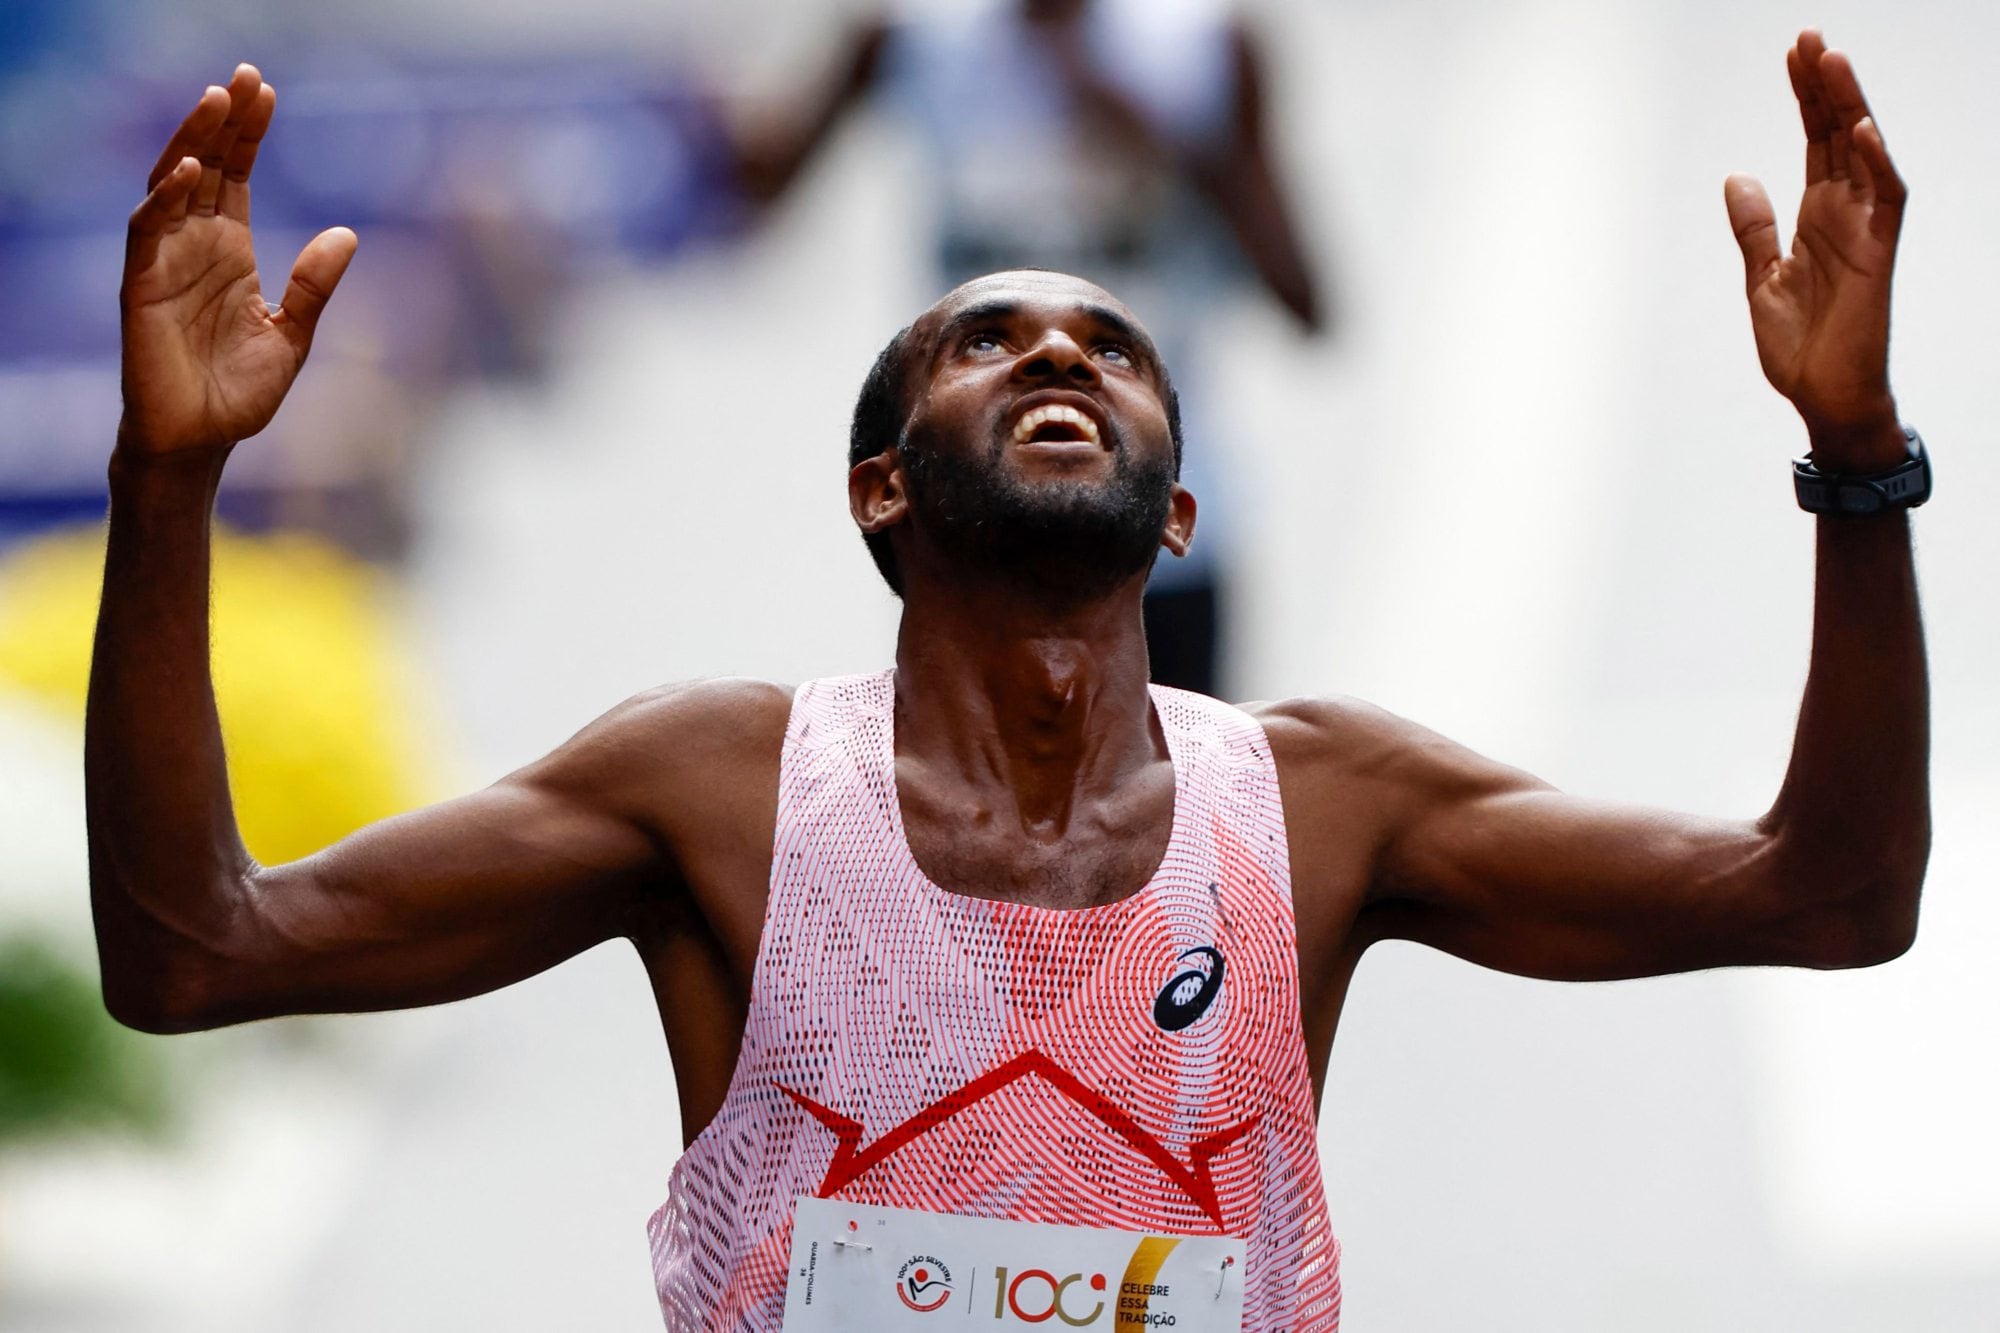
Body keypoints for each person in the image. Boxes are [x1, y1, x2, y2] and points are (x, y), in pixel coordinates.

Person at [91, 31, 1926, 1331]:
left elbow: (1830, 895)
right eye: (986, 338)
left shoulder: (1323, 805)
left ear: (1181, 505)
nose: (1059, 341)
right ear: (879, 486)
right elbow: (198, 952)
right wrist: (164, 485)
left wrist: (1857, 454)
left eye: (1115, 345)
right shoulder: (716, 792)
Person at [730, 0, 1328, 696]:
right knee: (969, 794)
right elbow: (754, 186)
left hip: (1155, 528)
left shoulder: (1203, 49)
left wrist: (1170, 150)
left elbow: (1307, 302)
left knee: (1180, 787)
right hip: (978, 521)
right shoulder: (911, 43)